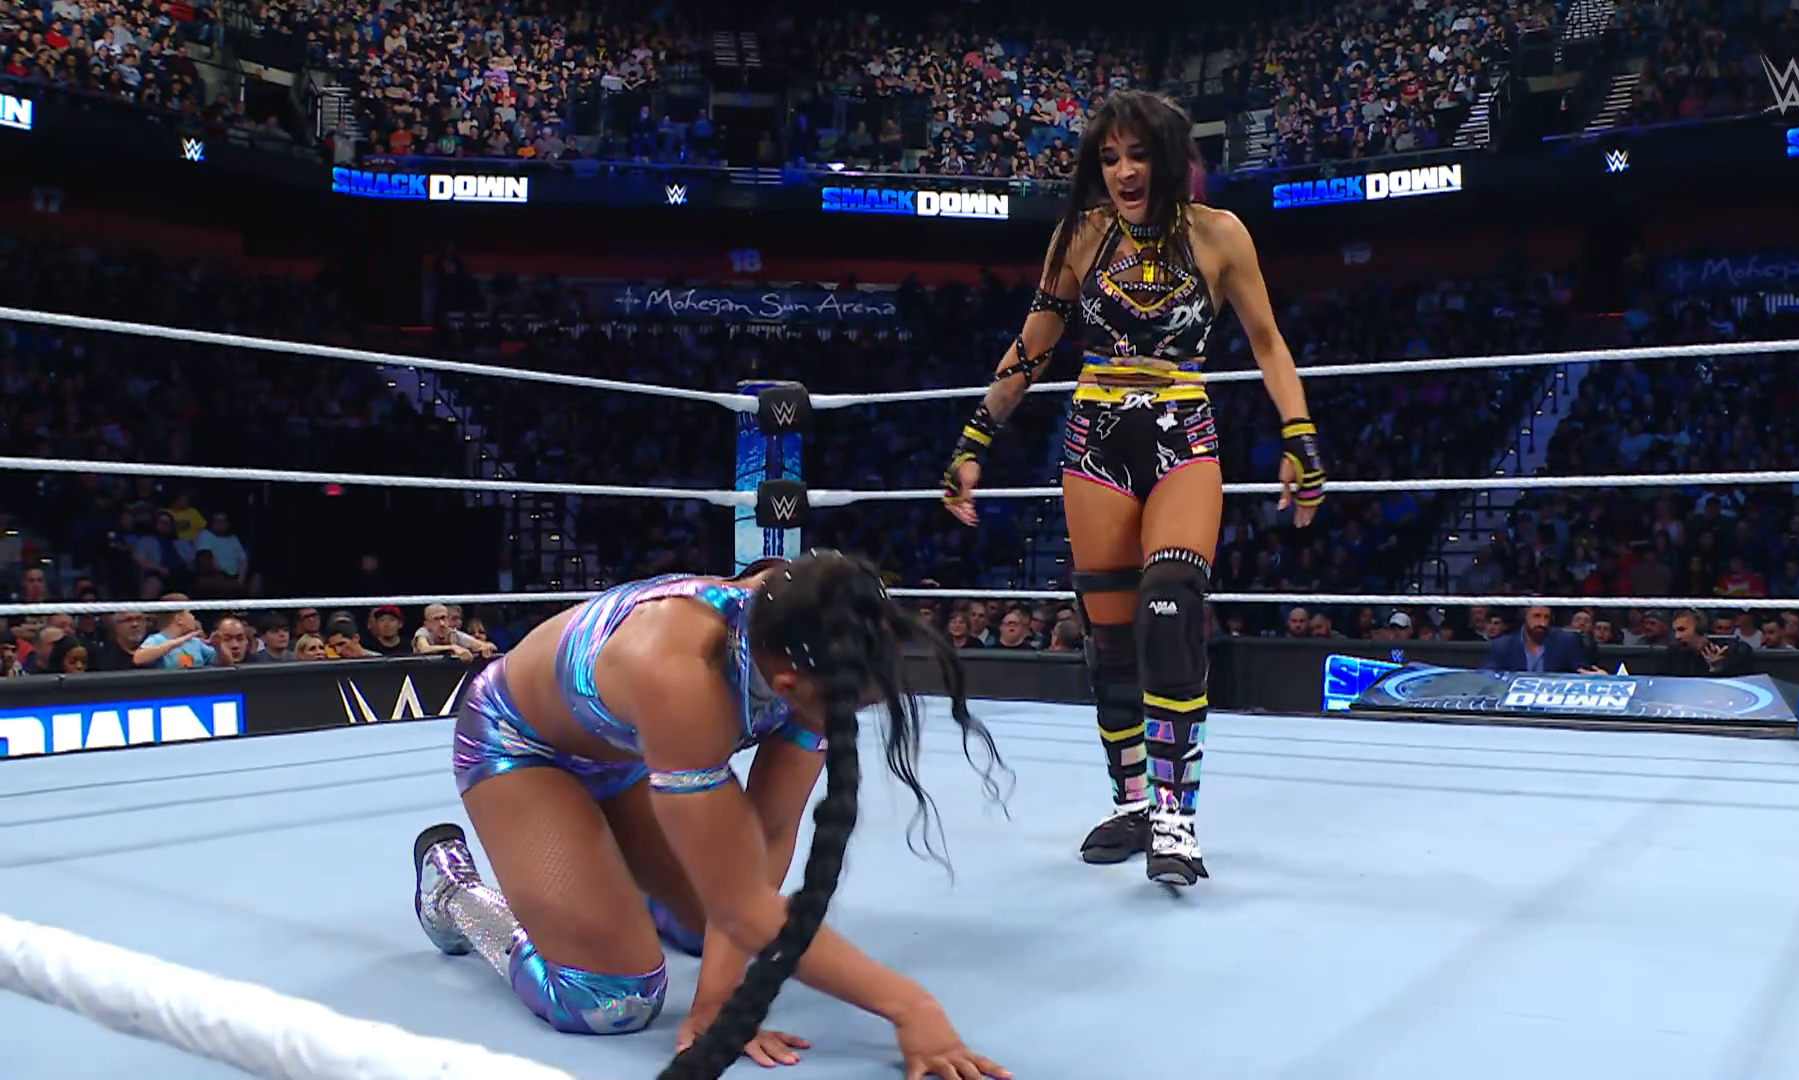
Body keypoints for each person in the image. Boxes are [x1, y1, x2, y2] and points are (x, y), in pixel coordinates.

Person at [409, 552, 1012, 1079]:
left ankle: (606, 886)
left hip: (633, 756)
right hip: (523, 747)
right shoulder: (679, 667)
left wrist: (719, 1004)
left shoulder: (812, 633)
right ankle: (453, 894)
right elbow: (741, 902)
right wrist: (910, 1007)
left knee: (713, 932)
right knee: (609, 1000)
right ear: (787, 683)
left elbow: (767, 837)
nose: (850, 720)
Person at [940, 89, 1325, 887]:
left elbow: (1267, 341)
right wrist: (973, 441)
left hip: (1183, 434)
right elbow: (1032, 347)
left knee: (1171, 608)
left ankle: (1177, 818)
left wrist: (1301, 437)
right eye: (1110, 157)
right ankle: (1134, 802)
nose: (1123, 171)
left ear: (1170, 158)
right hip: (1096, 437)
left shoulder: (1220, 235)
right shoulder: (1079, 235)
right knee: (1111, 641)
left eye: (1137, 154)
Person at [1481, 605, 1602, 674]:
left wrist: (1598, 678)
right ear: (1524, 617)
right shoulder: (1503, 645)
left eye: (1546, 617)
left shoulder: (1566, 641)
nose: (1542, 623)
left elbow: (1582, 672)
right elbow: (1488, 676)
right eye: (1536, 616)